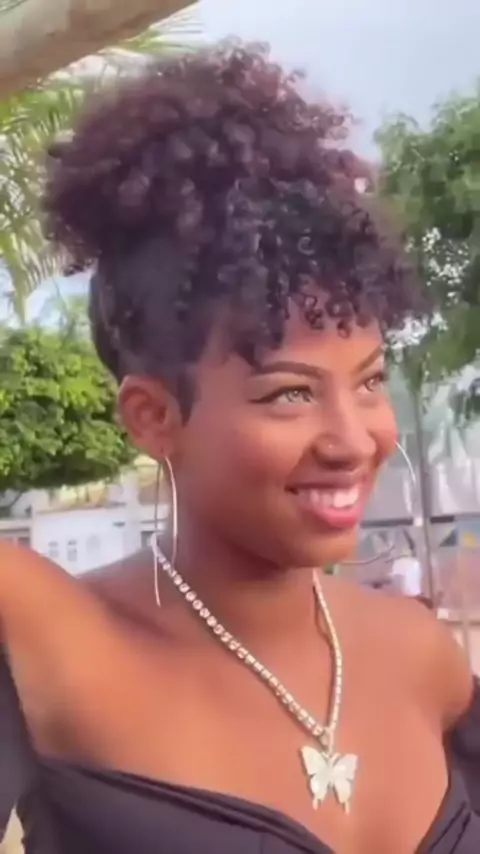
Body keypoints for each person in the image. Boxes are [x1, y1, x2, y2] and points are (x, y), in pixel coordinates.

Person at [0, 42, 479, 854]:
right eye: (290, 393)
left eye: (369, 381)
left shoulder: (422, 657)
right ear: (154, 417)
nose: (353, 439)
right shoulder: (52, 639)